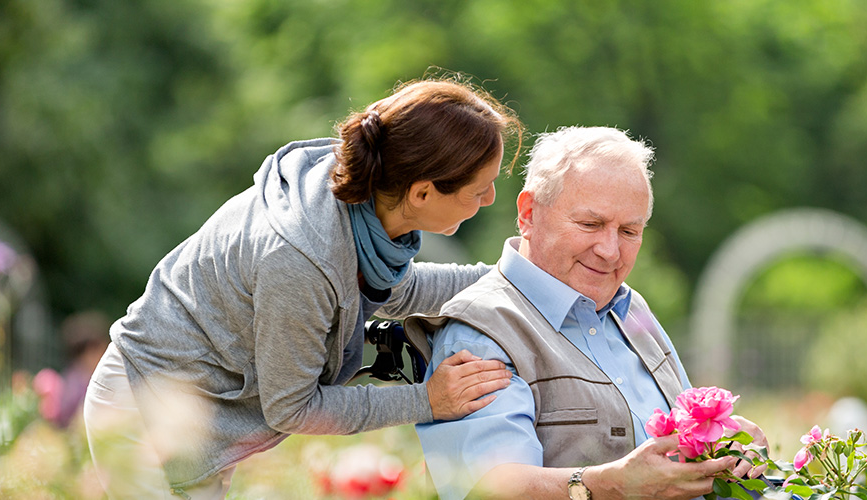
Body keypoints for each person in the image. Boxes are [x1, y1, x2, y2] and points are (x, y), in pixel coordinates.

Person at [83, 77, 519, 499]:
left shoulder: (360, 202)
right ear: (422, 193)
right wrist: (427, 401)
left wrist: (516, 271)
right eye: (480, 189)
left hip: (196, 413)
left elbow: (397, 292)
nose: (491, 199)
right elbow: (293, 408)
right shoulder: (301, 258)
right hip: (145, 415)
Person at [408, 127, 765, 500]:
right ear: (528, 213)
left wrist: (725, 449)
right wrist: (608, 485)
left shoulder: (632, 309)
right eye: (590, 224)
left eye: (629, 231)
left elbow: (683, 448)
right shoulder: (482, 330)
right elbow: (488, 490)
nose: (610, 251)